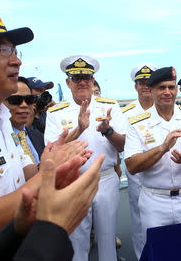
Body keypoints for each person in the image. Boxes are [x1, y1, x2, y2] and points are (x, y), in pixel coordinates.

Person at [0, 11, 91, 239]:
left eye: (15, 51)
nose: (17, 60)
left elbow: (23, 175)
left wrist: (49, 164)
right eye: (2, 50)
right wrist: (48, 175)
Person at [44, 54, 127, 261]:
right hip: (74, 181)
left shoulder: (110, 106)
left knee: (107, 238)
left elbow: (123, 144)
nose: (82, 82)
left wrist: (108, 131)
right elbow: (53, 154)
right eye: (76, 78)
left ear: (93, 81)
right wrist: (79, 129)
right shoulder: (55, 112)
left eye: (87, 78)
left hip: (105, 179)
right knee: (76, 241)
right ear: (67, 82)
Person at [0, 151, 103, 261]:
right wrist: (52, 229)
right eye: (15, 104)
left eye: (30, 104)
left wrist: (17, 229)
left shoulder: (4, 121)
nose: (24, 106)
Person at [124, 66, 181, 251]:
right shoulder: (136, 123)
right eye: (161, 88)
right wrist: (163, 148)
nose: (167, 92)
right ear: (151, 90)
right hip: (154, 202)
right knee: (159, 252)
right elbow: (131, 165)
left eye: (171, 87)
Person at [121, 63, 157, 260]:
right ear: (135, 86)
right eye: (141, 82)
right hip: (137, 175)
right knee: (138, 220)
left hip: (161, 171)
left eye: (148, 82)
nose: (145, 86)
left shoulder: (165, 108)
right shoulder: (125, 113)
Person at [4, 76, 45, 164]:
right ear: (1, 102)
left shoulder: (38, 136)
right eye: (15, 100)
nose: (24, 105)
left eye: (29, 100)